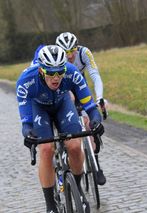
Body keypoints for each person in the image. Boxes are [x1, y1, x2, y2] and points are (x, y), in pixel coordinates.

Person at [16, 45, 104, 213]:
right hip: (39, 108)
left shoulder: (71, 72)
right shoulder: (26, 81)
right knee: (46, 150)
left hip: (63, 104)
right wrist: (28, 133)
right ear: (41, 70)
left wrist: (95, 121)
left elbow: (91, 108)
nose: (56, 77)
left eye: (60, 72)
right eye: (51, 73)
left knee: (75, 146)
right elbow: (26, 124)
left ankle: (76, 192)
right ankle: (50, 206)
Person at [55, 32, 107, 185]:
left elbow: (95, 75)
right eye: (66, 52)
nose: (70, 55)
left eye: (72, 50)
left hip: (79, 86)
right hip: (65, 90)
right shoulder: (58, 59)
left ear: (77, 47)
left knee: (90, 124)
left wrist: (100, 97)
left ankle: (95, 162)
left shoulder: (84, 53)